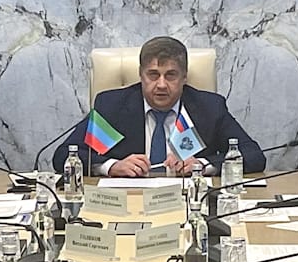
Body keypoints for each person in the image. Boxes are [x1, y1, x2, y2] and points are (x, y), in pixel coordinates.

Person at [53, 36, 265, 177]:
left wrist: (203, 164)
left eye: (171, 75)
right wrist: (111, 166)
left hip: (188, 205)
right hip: (129, 204)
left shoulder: (208, 108)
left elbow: (253, 156)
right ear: (141, 75)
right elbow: (64, 156)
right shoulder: (114, 107)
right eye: (153, 75)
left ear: (184, 76)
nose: (161, 85)